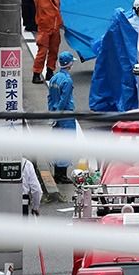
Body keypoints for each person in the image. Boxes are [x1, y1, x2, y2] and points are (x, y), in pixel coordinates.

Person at [47, 51, 77, 181]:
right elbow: (64, 100)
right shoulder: (67, 80)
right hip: (66, 115)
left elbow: (50, 97)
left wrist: (52, 114)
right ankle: (63, 175)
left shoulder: (54, 78)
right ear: (69, 64)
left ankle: (57, 173)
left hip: (55, 113)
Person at [31, 0, 62, 84]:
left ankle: (50, 71)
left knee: (54, 51)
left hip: (55, 28)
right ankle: (36, 73)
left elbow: (58, 11)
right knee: (42, 52)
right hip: (44, 29)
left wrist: (60, 24)